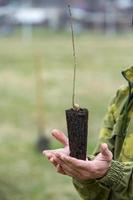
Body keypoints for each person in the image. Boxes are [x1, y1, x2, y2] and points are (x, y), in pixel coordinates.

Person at [43, 66, 133, 200]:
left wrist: (113, 173)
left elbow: (109, 170)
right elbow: (101, 194)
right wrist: (87, 172)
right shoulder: (123, 96)